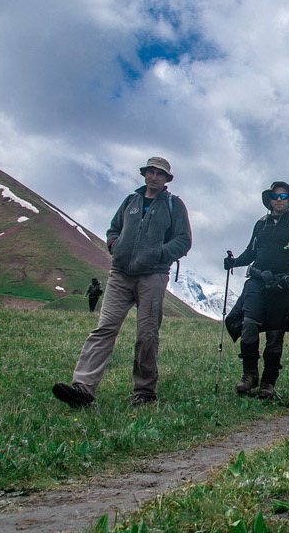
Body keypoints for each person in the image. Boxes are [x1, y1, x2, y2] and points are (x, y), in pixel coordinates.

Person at [52, 157, 192, 407]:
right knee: (104, 328)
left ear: (167, 179)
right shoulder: (131, 201)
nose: (154, 177)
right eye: (151, 172)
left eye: (160, 174)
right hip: (120, 274)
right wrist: (114, 245)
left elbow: (183, 241)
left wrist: (158, 254)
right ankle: (83, 388)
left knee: (146, 334)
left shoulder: (174, 205)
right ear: (145, 174)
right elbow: (113, 229)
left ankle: (145, 392)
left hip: (153, 275)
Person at [223, 181, 289, 400]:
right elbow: (251, 252)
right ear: (269, 200)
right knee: (249, 324)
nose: (279, 200)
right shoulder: (260, 225)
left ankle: (268, 382)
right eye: (275, 196)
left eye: (283, 197)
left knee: (275, 333)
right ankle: (249, 375)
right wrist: (234, 263)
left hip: (282, 285)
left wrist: (286, 278)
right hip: (257, 281)